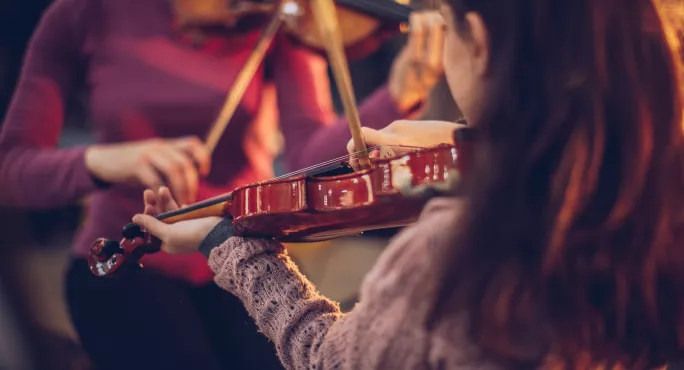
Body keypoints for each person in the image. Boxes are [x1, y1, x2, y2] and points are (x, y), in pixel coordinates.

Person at [133, 0, 684, 368]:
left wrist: (230, 248)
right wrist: (463, 138)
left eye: (445, 24)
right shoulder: (652, 192)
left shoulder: (461, 251)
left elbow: (328, 357)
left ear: (482, 42)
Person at [0, 0, 445, 368]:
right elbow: (12, 170)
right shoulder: (83, 14)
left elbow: (311, 156)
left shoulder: (277, 20)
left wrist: (400, 91)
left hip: (241, 252)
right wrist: (105, 160)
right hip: (128, 257)